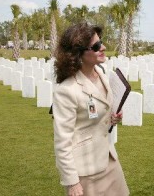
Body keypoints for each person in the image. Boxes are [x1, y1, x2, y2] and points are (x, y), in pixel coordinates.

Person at [53, 22, 129, 196]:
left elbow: (97, 116)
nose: (103, 47)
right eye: (96, 46)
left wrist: (112, 118)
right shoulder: (67, 90)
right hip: (86, 170)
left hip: (109, 160)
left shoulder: (101, 73)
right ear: (78, 53)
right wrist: (72, 182)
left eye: (100, 41)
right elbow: (62, 142)